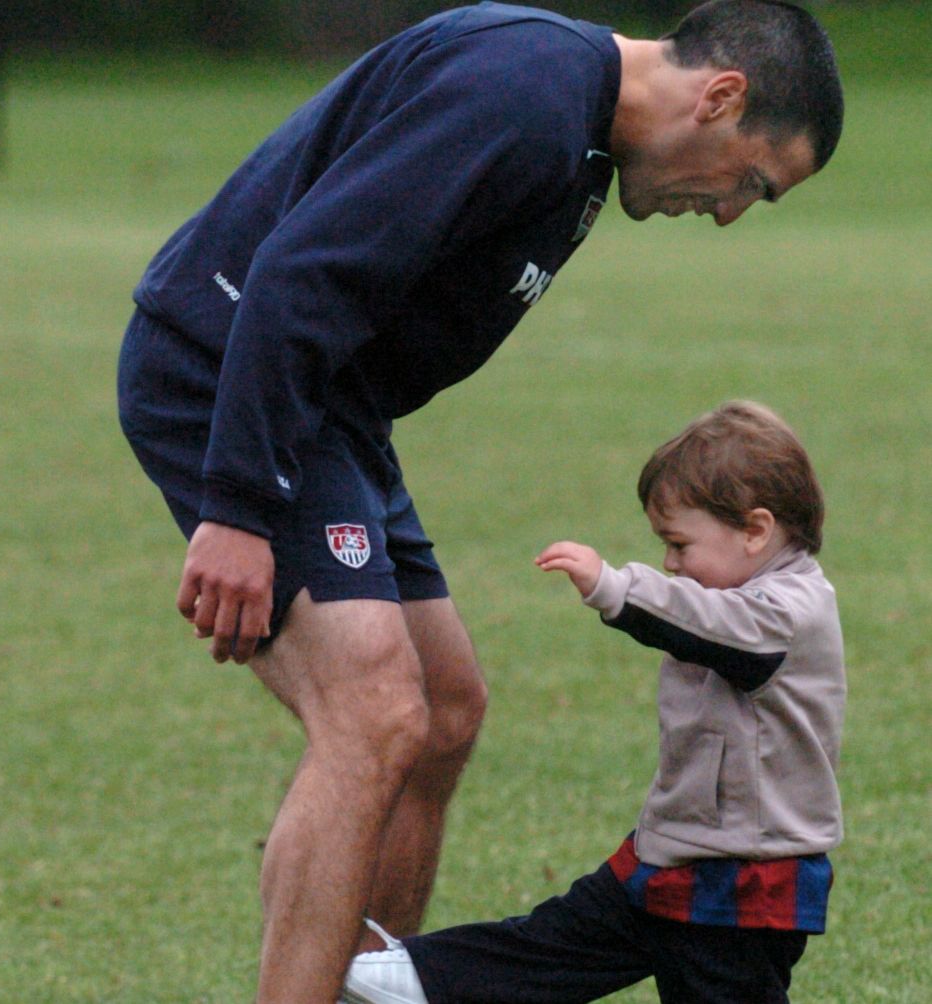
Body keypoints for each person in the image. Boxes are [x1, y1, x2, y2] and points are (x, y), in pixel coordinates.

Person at [116, 0, 843, 999]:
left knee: (444, 707)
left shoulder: (579, 134)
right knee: (370, 715)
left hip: (336, 406)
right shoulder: (521, 95)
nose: (726, 211)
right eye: (750, 182)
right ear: (719, 98)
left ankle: (368, 986)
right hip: (235, 373)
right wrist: (238, 504)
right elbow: (295, 273)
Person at [341, 400, 845, 1004]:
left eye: (680, 544)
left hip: (740, 882)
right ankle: (419, 978)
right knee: (558, 940)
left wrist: (614, 586)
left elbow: (703, 620)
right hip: (678, 850)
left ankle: (421, 978)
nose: (671, 562)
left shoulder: (785, 612)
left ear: (756, 530)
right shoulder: (753, 595)